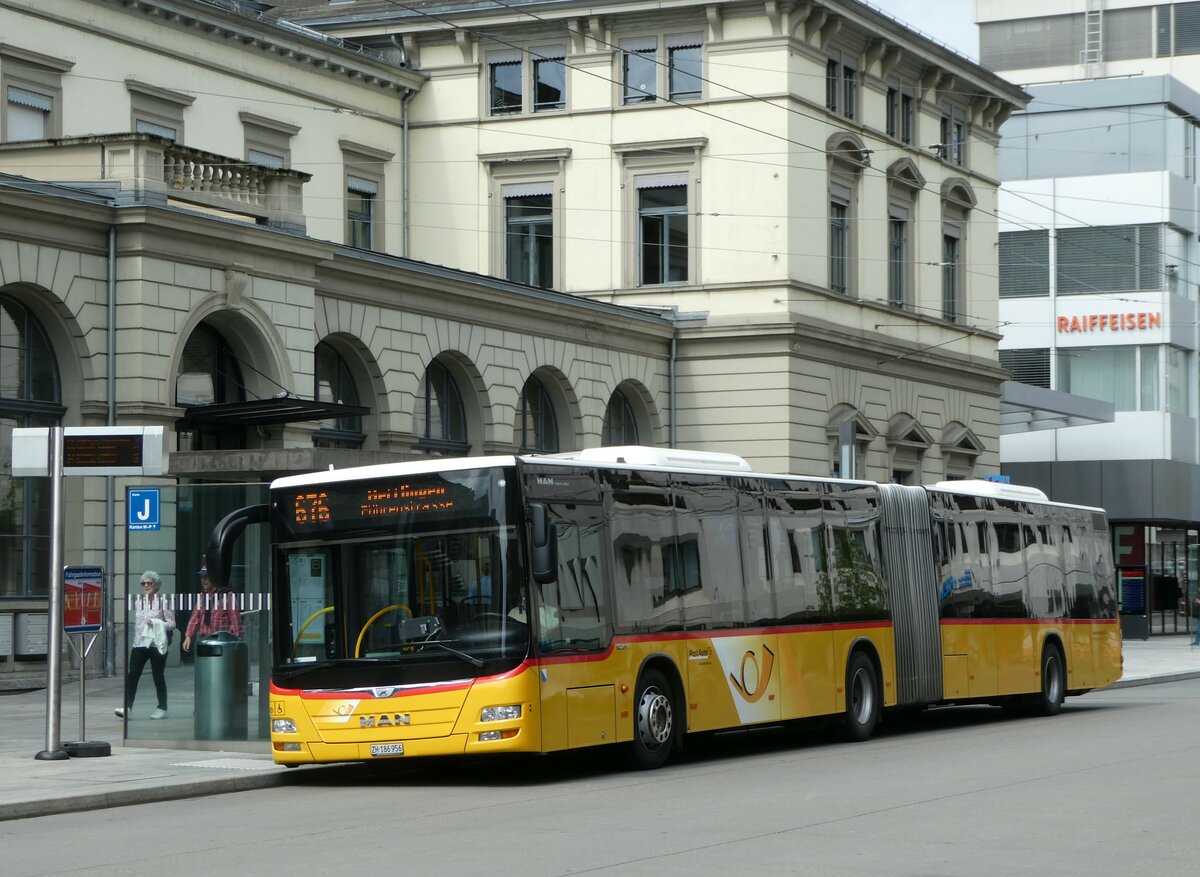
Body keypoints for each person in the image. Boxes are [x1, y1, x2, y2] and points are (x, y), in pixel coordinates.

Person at [115, 571, 175, 720]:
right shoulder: (139, 602)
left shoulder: (164, 602)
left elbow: (172, 624)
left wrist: (156, 623)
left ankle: (162, 708)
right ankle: (127, 707)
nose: (146, 586)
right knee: (133, 675)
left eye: (149, 583)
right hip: (140, 643)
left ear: (157, 585)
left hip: (156, 644)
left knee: (158, 676)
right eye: (143, 583)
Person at [183, 563, 242, 652]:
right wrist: (188, 636)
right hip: (205, 640)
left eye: (206, 577)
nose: (203, 580)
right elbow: (195, 618)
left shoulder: (227, 596)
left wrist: (236, 644)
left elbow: (236, 622)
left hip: (222, 643)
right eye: (202, 577)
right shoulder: (202, 597)